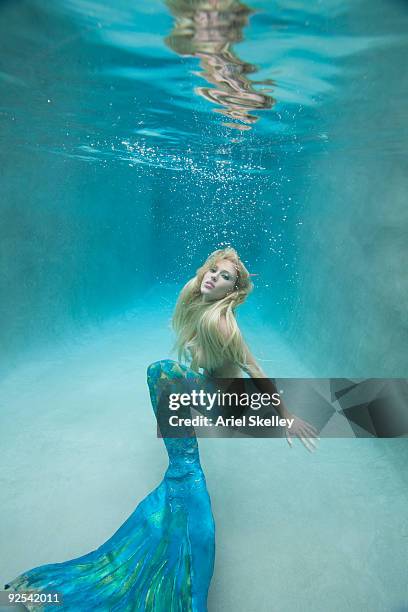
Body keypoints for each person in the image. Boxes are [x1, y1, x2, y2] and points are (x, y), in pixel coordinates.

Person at [4, 247, 317, 611]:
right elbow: (201, 283)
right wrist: (212, 270)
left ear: (232, 293)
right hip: (202, 390)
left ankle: (183, 481)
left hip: (221, 402)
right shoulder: (196, 293)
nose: (213, 277)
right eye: (212, 270)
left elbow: (255, 372)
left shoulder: (223, 324)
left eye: (224, 277)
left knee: (162, 372)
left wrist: (285, 415)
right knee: (165, 381)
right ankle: (180, 479)